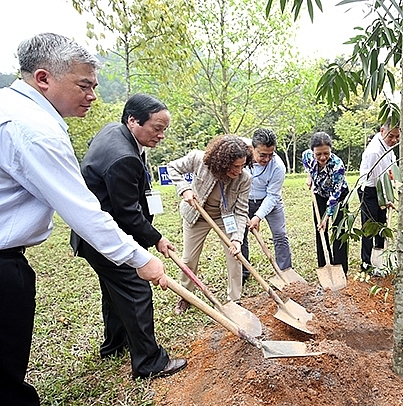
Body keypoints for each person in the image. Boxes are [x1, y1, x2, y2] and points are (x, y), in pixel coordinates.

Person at [0, 33, 166, 405]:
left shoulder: (12, 107)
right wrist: (144, 256)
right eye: (84, 85)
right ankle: (146, 358)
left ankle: (116, 344)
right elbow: (84, 210)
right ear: (44, 78)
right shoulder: (33, 129)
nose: (93, 94)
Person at [71, 93, 187, 379]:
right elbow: (127, 213)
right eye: (156, 128)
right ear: (133, 121)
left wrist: (154, 237)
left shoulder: (113, 131)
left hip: (91, 236)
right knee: (136, 291)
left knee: (114, 292)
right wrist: (156, 238)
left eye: (164, 129)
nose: (161, 135)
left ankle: (115, 345)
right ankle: (149, 362)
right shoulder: (123, 157)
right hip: (106, 238)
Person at [168, 135, 252, 314]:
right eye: (235, 166)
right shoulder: (198, 159)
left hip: (224, 218)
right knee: (189, 258)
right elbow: (172, 168)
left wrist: (237, 240)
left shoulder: (244, 179)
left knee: (235, 257)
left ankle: (234, 300)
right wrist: (185, 188)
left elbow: (242, 211)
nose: (239, 170)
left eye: (242, 165)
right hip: (196, 215)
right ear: (222, 162)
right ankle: (185, 295)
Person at [241, 128, 293, 282]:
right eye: (262, 155)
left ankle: (285, 272)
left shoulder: (278, 166)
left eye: (271, 154)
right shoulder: (241, 154)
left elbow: (272, 196)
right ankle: (243, 271)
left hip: (271, 201)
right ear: (252, 148)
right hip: (245, 200)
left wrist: (258, 216)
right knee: (240, 236)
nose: (267, 159)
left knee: (280, 235)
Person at [302, 132, 350, 274]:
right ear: (313, 152)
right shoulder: (308, 156)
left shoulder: (337, 166)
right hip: (319, 194)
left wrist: (327, 217)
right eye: (319, 154)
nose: (322, 157)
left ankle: (341, 268)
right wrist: (309, 176)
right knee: (320, 230)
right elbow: (306, 162)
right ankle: (324, 266)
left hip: (339, 196)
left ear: (331, 150)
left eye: (326, 153)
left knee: (339, 230)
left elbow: (335, 195)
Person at [358, 120, 400, 273]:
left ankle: (381, 260)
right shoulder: (375, 151)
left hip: (382, 187)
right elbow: (378, 180)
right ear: (382, 131)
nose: (394, 140)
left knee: (382, 225)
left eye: (397, 136)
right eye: (391, 136)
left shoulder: (388, 146)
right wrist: (387, 200)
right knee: (369, 227)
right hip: (369, 190)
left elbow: (391, 169)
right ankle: (366, 263)